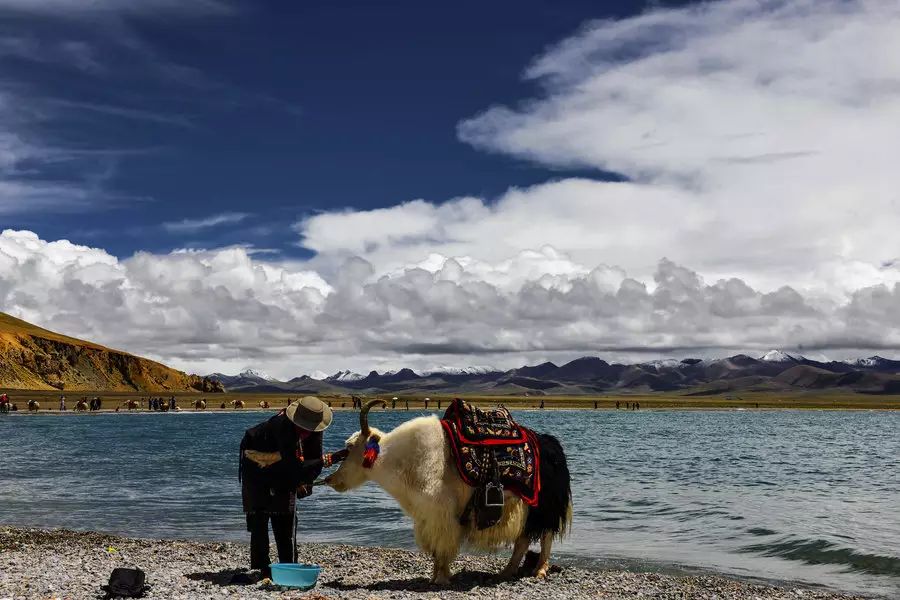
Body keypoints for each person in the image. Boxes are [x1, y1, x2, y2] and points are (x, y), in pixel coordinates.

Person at [239, 396, 348, 581]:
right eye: (303, 427)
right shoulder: (281, 425)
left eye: (310, 428)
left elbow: (312, 462)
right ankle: (261, 568)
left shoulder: (315, 428)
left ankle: (287, 565)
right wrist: (334, 457)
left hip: (285, 466)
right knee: (259, 516)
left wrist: (305, 480)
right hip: (256, 463)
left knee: (286, 517)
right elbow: (295, 467)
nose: (306, 431)